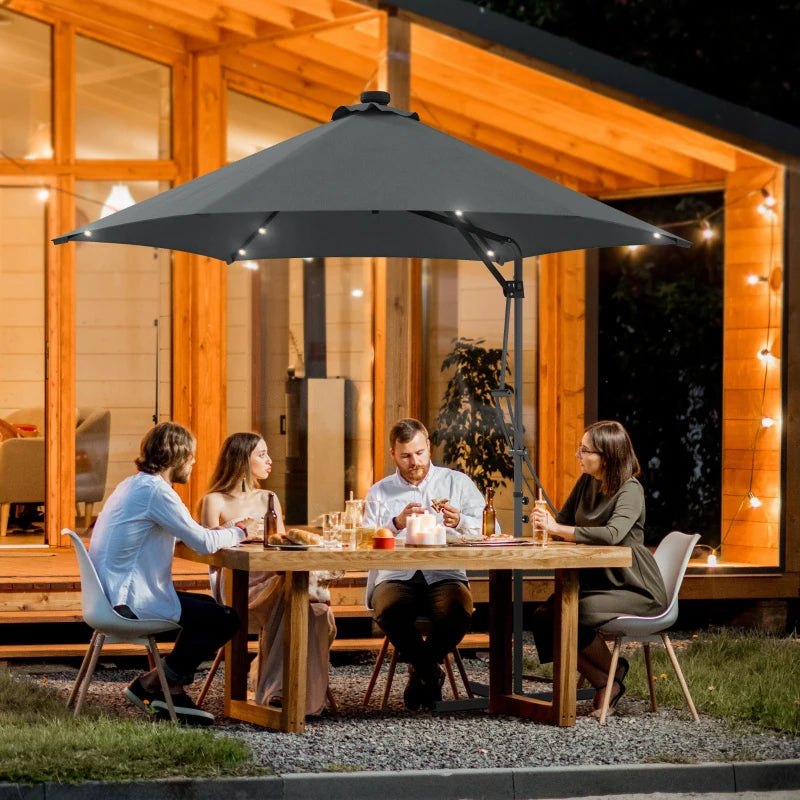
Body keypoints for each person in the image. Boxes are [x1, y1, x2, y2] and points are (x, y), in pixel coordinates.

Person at [90, 422, 259, 725]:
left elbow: (184, 533)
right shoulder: (157, 492)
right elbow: (204, 543)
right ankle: (161, 685)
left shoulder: (132, 485)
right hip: (130, 603)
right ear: (178, 456)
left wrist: (217, 533)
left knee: (209, 608)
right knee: (227, 618)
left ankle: (162, 683)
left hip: (110, 596)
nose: (194, 462)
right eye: (191, 456)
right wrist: (240, 530)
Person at [531, 420, 668, 717]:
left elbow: (613, 534)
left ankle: (612, 674)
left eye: (585, 450)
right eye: (579, 449)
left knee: (571, 613)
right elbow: (564, 521)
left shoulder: (630, 490)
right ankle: (608, 678)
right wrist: (545, 524)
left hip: (633, 587)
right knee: (544, 616)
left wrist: (560, 529)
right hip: (599, 583)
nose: (578, 455)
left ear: (606, 456)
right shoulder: (587, 482)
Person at [199, 432, 337, 715]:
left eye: (267, 453)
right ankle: (284, 692)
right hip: (238, 583)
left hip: (274, 575)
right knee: (305, 601)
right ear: (241, 459)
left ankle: (283, 694)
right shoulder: (215, 500)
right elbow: (211, 555)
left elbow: (282, 546)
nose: (269, 460)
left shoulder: (269, 498)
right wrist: (238, 531)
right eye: (261, 454)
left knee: (306, 606)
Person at [364, 417, 487, 711]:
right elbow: (363, 538)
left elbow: (489, 528)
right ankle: (431, 673)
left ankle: (421, 671)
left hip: (444, 574)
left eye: (419, 453)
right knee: (390, 610)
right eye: (406, 455)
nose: (414, 461)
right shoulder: (380, 491)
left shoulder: (456, 483)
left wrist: (461, 521)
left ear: (429, 447)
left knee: (458, 611)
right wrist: (395, 523)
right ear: (393, 454)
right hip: (396, 576)